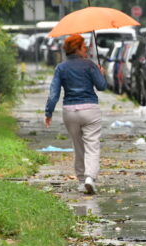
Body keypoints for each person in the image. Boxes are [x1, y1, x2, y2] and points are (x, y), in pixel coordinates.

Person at [44, 34, 107, 195]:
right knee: (92, 146)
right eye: (84, 47)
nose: (86, 49)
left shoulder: (61, 68)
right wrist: (100, 73)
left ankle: (81, 181)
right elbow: (101, 86)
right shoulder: (90, 65)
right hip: (90, 110)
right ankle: (89, 178)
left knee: (78, 147)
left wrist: (49, 112)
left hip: (70, 111)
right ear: (78, 48)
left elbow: (53, 94)